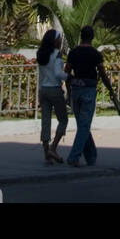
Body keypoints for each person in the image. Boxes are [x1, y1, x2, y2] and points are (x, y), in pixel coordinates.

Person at [63, 25, 119, 167]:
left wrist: (68, 92)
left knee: (83, 125)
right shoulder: (95, 54)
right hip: (88, 90)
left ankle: (91, 156)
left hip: (76, 89)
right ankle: (74, 156)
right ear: (92, 37)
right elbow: (103, 74)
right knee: (84, 125)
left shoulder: (73, 53)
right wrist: (111, 90)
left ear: (81, 36)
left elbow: (67, 73)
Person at [36, 29, 67, 163]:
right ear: (55, 41)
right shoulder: (57, 54)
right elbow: (58, 73)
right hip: (54, 89)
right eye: (59, 38)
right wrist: (69, 76)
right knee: (63, 119)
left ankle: (46, 153)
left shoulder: (40, 54)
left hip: (43, 90)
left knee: (46, 120)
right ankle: (53, 148)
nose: (61, 40)